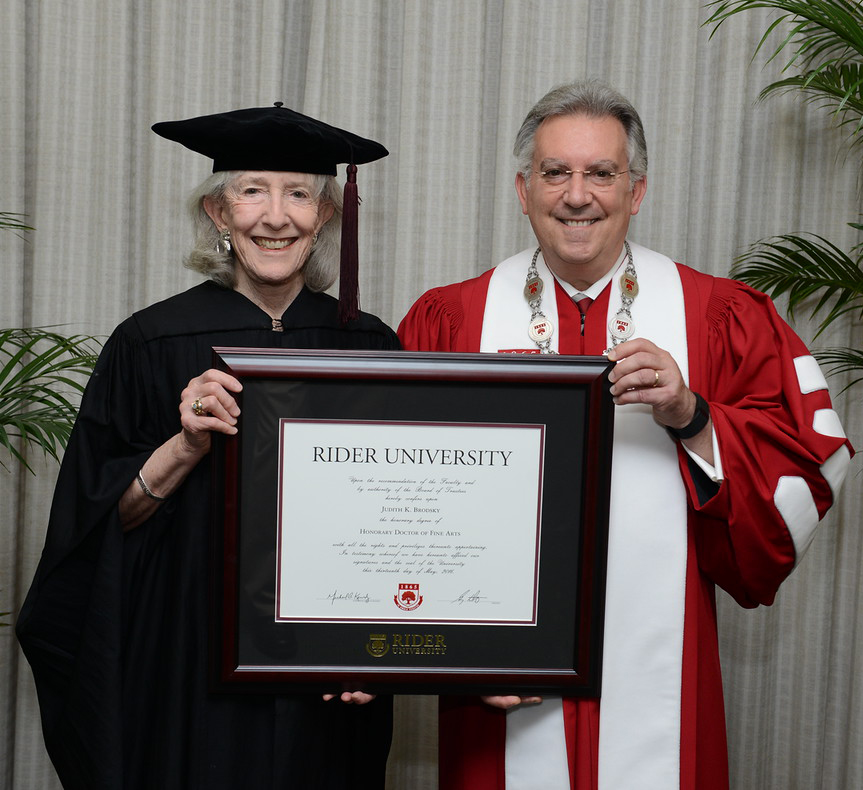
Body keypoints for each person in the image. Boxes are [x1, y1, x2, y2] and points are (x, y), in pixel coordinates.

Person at [398, 80, 854, 790]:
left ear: (635, 191)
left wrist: (692, 415)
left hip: (659, 669)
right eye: (556, 173)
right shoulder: (449, 323)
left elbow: (809, 455)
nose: (577, 195)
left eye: (600, 173)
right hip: (497, 680)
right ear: (523, 190)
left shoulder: (716, 318)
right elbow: (398, 506)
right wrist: (459, 653)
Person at [17, 104, 397, 790]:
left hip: (322, 671)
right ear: (219, 214)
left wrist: (377, 652)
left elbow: (400, 524)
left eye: (298, 194)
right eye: (252, 191)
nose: (274, 216)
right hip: (182, 660)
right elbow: (95, 528)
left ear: (326, 218)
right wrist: (186, 443)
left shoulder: (369, 347)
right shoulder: (149, 342)